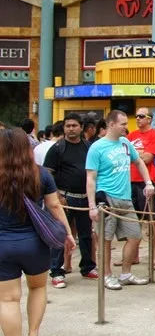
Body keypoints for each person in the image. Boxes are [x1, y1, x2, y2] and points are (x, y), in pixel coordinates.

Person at [0, 129, 76, 336]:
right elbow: (54, 206)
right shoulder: (40, 174)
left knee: (8, 300)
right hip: (35, 243)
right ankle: (33, 335)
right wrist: (67, 234)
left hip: (3, 245)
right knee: (38, 288)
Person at [85, 110, 154, 290]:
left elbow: (139, 162)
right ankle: (106, 274)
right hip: (106, 198)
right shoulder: (97, 148)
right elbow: (91, 178)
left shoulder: (125, 143)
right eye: (122, 124)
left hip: (125, 198)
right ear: (111, 124)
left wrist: (148, 182)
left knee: (135, 236)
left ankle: (126, 273)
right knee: (105, 239)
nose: (126, 127)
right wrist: (92, 206)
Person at [43, 114, 97, 287]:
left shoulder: (88, 147)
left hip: (85, 198)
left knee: (86, 235)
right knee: (60, 235)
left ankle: (88, 267)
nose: (71, 129)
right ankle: (56, 272)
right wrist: (57, 196)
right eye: (68, 126)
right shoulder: (57, 148)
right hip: (64, 199)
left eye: (74, 125)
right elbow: (47, 174)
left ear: (81, 127)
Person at [127, 107, 155, 270]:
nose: (138, 119)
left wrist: (134, 156)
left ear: (149, 119)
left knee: (153, 220)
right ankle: (133, 255)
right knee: (133, 219)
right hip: (130, 180)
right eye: (136, 116)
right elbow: (124, 156)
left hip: (147, 181)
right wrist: (138, 155)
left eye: (141, 116)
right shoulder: (131, 135)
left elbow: (148, 158)